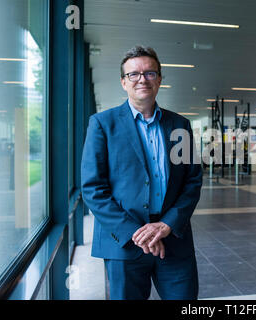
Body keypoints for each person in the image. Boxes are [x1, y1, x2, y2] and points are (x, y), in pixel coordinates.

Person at [81, 46, 202, 300]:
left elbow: (192, 180)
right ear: (124, 82)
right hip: (124, 244)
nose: (142, 79)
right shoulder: (102, 124)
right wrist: (137, 233)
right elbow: (93, 189)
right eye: (134, 74)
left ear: (159, 79)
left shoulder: (180, 125)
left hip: (173, 239)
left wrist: (167, 225)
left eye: (149, 73)